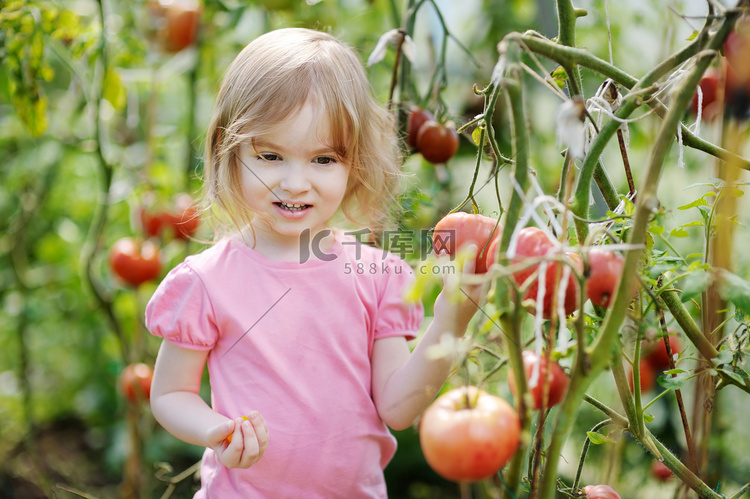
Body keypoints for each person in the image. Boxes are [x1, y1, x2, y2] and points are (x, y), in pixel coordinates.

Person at [146, 27, 480, 498]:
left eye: (323, 160)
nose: (295, 182)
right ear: (230, 149)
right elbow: (170, 395)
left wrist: (453, 316)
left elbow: (400, 409)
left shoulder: (378, 275)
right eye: (270, 155)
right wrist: (217, 430)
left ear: (354, 162)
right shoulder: (207, 280)